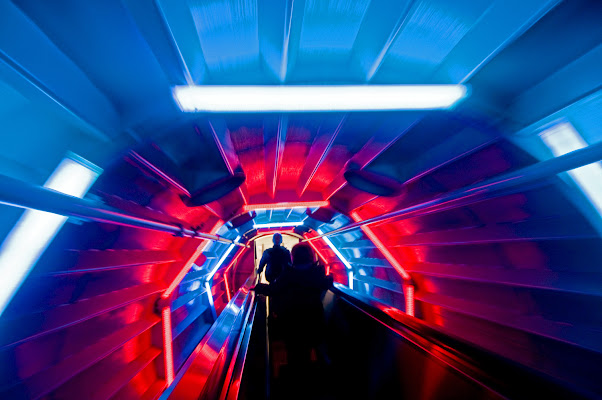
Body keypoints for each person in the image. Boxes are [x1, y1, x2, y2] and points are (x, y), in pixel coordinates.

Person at [254, 242, 333, 370]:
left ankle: (295, 376)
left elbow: (273, 289)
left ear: (293, 257)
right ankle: (319, 371)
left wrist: (257, 287)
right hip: (313, 319)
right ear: (311, 256)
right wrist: (331, 277)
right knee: (312, 347)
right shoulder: (317, 273)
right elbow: (327, 282)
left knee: (294, 352)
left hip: (292, 321)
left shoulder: (288, 275)